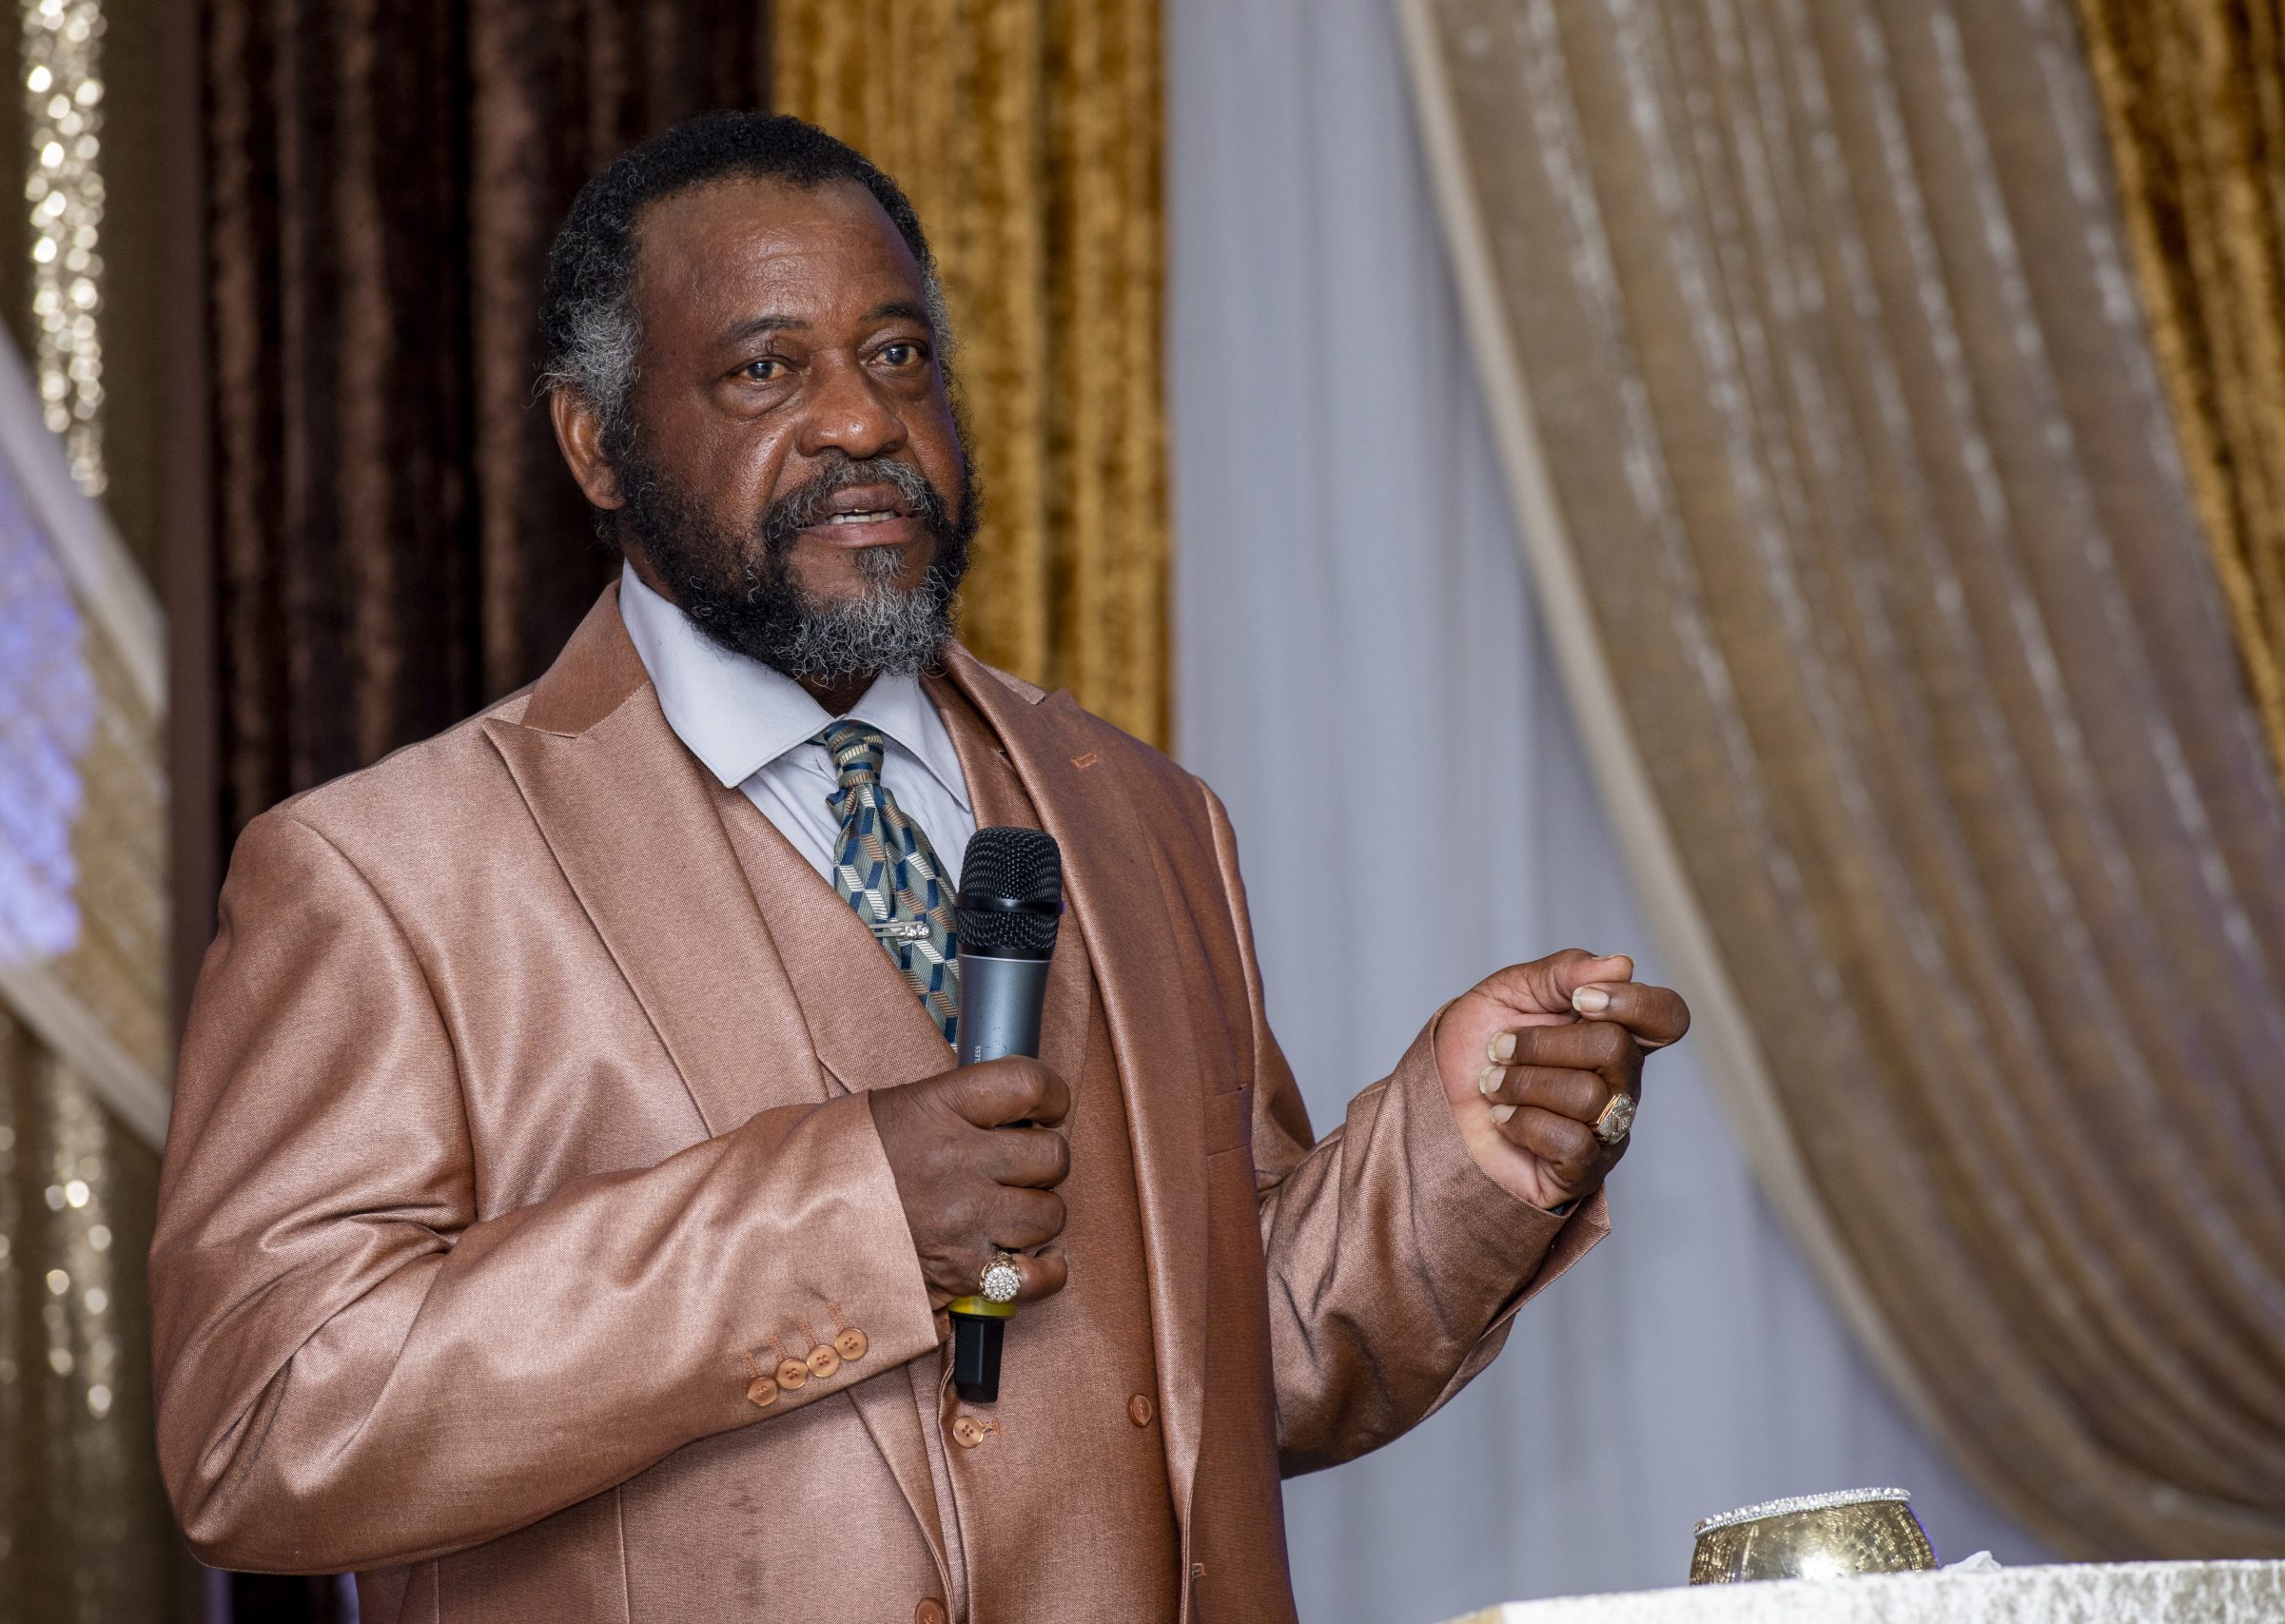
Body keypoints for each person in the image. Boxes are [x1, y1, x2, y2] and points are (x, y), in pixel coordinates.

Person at [149, 110, 1690, 1624]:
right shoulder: (383, 876)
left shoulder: (1148, 818)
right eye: (766, 369)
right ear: (596, 444)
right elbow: (268, 1424)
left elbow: (1238, 1360)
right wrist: (846, 1219)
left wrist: (1459, 1158)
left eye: (897, 355)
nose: (861, 422)